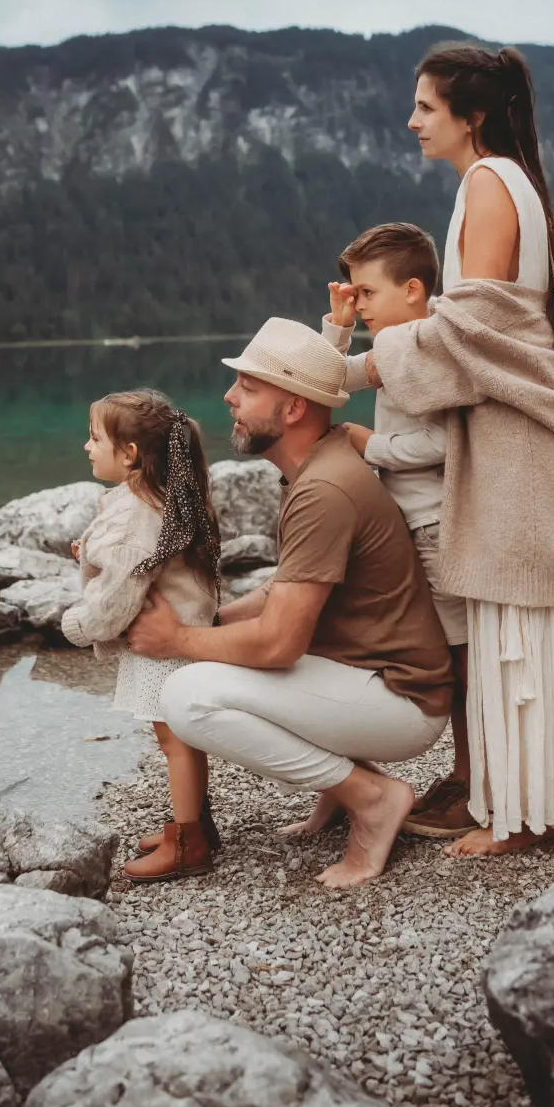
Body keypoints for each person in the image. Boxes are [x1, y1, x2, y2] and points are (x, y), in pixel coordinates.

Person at [364, 41, 554, 856]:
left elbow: (472, 334)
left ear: (470, 117)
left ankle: (520, 818)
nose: (412, 121)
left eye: (426, 107)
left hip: (511, 446)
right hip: (514, 439)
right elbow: (487, 328)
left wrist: (358, 365)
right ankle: (531, 803)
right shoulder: (510, 183)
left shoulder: (488, 181)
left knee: (513, 633)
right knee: (517, 627)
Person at [127, 317, 454, 889]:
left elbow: (279, 645)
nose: (230, 397)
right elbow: (290, 587)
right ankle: (342, 787)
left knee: (188, 696)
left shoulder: (325, 489)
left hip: (400, 700)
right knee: (212, 656)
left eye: (249, 388)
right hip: (370, 676)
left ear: (295, 408)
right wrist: (214, 620)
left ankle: (370, 797)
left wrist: (177, 639)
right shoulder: (313, 470)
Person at [321, 222, 477, 838]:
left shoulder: (429, 347)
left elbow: (446, 441)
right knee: (435, 653)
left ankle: (471, 781)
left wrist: (372, 446)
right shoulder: (393, 346)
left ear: (413, 289)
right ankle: (455, 776)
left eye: (366, 294)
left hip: (438, 526)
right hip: (409, 526)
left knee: (463, 662)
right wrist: (336, 324)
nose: (359, 305)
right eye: (353, 294)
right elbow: (327, 382)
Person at [60, 389, 222, 883]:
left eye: (94, 439)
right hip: (182, 632)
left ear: (129, 454)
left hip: (163, 648)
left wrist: (77, 625)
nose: (86, 448)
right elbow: (135, 558)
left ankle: (189, 843)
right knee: (182, 740)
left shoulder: (138, 512)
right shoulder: (164, 495)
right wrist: (89, 551)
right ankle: (196, 823)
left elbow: (118, 593)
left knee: (174, 742)